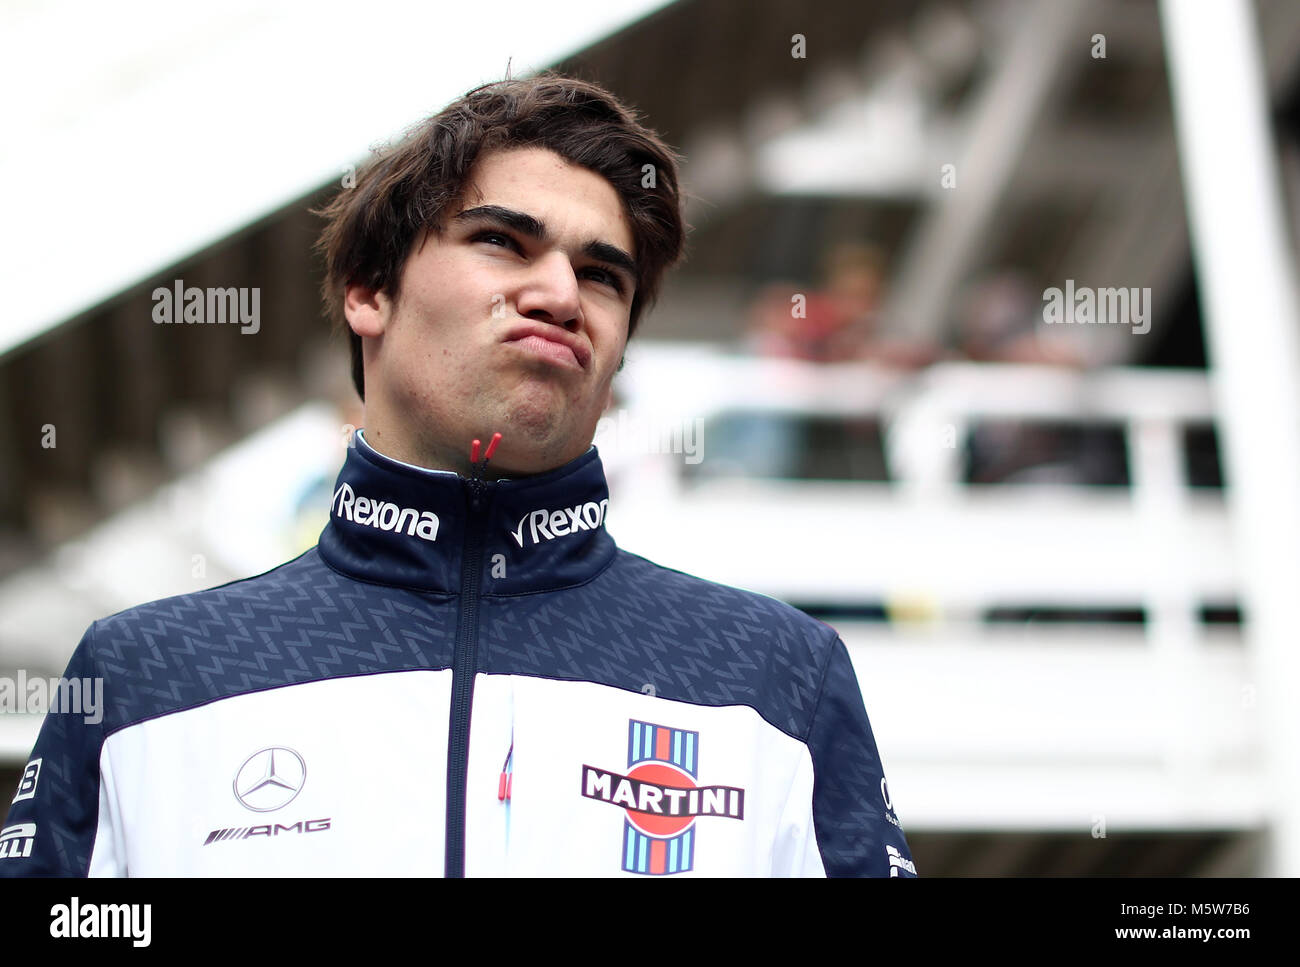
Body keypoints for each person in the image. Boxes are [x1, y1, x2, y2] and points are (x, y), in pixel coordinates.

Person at [0, 73, 916, 877]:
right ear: (369, 291)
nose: (559, 293)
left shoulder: (774, 679)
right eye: (502, 242)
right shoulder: (146, 676)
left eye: (603, 276)